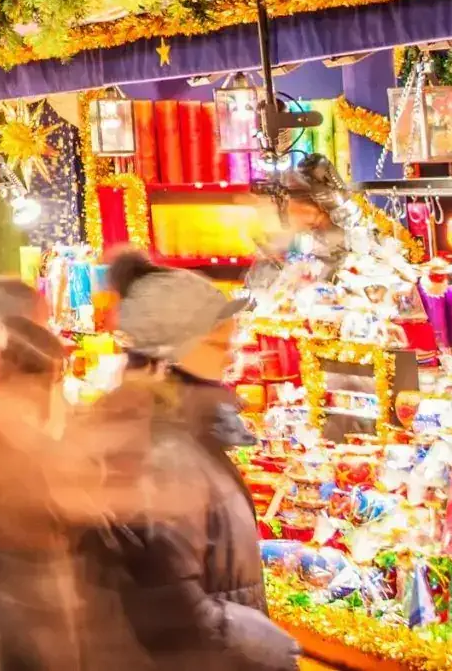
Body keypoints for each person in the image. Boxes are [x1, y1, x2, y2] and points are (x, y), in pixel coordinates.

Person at [83, 267, 296, 671]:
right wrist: (256, 642)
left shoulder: (186, 432)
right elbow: (163, 599)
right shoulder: (161, 450)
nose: (231, 353)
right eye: (217, 343)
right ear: (173, 353)